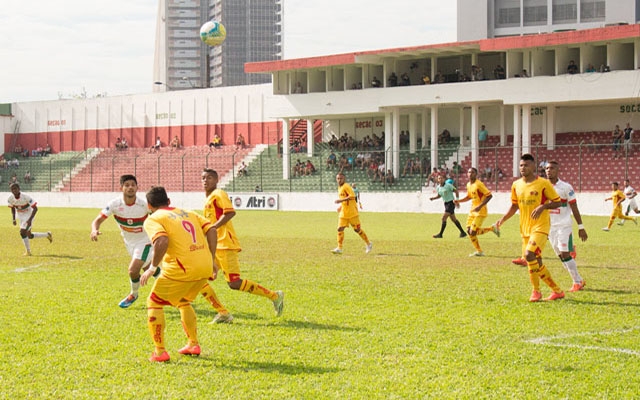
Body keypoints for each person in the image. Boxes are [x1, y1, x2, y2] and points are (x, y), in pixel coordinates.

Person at [90, 175, 231, 320]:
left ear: (138, 188)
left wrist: (153, 264)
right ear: (121, 188)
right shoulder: (114, 204)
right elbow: (98, 219)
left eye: (133, 184)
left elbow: (162, 235)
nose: (130, 187)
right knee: (180, 286)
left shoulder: (145, 206)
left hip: (147, 242)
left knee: (136, 274)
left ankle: (135, 294)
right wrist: (94, 229)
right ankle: (208, 324)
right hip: (131, 243)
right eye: (127, 185)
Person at [139, 186, 218, 362]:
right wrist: (211, 259)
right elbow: (212, 229)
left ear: (149, 206)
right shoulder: (188, 212)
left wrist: (152, 268)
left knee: (154, 302)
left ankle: (160, 352)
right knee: (183, 301)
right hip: (204, 266)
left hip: (181, 269)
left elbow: (162, 240)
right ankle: (193, 344)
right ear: (168, 202)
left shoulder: (153, 219)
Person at [201, 169, 284, 316]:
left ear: (216, 180)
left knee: (234, 283)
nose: (205, 181)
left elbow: (230, 212)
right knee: (199, 277)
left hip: (225, 243)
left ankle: (274, 296)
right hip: (215, 246)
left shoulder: (218, 194)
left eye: (209, 178)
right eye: (203, 178)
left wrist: (214, 227)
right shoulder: (208, 199)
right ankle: (221, 312)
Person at [495, 153, 564, 302]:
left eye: (526, 165)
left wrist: (543, 206)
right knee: (536, 262)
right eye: (521, 165)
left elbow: (558, 202)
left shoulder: (543, 183)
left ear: (533, 166)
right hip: (525, 229)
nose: (523, 168)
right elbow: (514, 205)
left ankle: (536, 292)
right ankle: (557, 291)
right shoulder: (516, 185)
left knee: (529, 255)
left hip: (540, 227)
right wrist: (503, 219)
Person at [544, 161, 588, 292]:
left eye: (552, 168)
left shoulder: (565, 187)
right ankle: (579, 279)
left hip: (564, 225)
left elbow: (574, 207)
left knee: (564, 254)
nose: (549, 171)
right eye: (547, 168)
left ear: (558, 170)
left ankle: (577, 281)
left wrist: (581, 227)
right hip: (550, 227)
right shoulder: (542, 187)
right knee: (560, 256)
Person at [455, 168, 500, 256]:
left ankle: (492, 229)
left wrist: (479, 206)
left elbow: (489, 196)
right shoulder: (468, 184)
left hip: (481, 211)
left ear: (476, 174)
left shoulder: (479, 184)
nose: (470, 173)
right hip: (472, 210)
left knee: (472, 232)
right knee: (469, 231)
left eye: (472, 172)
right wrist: (458, 201)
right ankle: (479, 251)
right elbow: (469, 197)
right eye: (469, 172)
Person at [331, 172, 373, 254]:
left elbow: (352, 196)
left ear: (344, 179)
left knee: (357, 230)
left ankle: (368, 243)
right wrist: (341, 206)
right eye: (338, 178)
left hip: (352, 213)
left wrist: (340, 201)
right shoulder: (339, 187)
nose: (339, 180)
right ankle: (339, 248)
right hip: (344, 213)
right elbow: (345, 199)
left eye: (341, 178)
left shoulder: (346, 186)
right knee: (340, 229)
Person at [8, 183, 52, 256]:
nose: (14, 190)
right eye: (12, 189)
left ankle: (28, 252)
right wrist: (13, 219)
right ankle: (47, 234)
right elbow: (12, 208)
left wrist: (30, 220)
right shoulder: (10, 198)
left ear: (19, 189)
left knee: (22, 232)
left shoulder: (26, 197)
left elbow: (35, 208)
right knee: (29, 236)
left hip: (29, 215)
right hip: (21, 216)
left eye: (15, 188)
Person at [430, 174, 467, 239]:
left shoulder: (448, 185)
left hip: (451, 203)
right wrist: (433, 198)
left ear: (444, 179)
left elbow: (456, 191)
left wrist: (457, 201)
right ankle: (463, 232)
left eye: (441, 178)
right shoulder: (438, 187)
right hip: (446, 204)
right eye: (439, 178)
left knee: (443, 218)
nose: (440, 179)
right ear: (437, 180)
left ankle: (440, 234)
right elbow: (439, 195)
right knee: (453, 219)